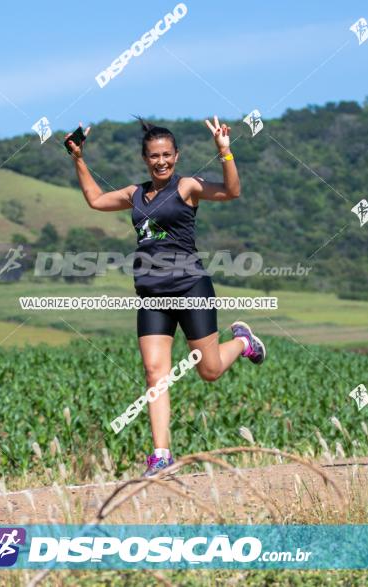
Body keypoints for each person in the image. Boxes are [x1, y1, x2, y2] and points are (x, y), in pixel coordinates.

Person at [66, 115, 266, 476]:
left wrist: (225, 152)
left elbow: (231, 191)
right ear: (145, 158)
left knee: (209, 370)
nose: (161, 161)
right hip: (151, 294)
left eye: (167, 155)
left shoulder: (187, 187)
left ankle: (242, 342)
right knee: (154, 373)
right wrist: (79, 158)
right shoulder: (135, 194)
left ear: (177, 155)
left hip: (191, 288)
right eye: (154, 156)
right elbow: (95, 199)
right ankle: (161, 456)